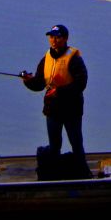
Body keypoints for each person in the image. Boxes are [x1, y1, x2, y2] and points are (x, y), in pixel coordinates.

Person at [21, 23, 88, 170]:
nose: (53, 40)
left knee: (76, 142)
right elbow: (39, 83)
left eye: (57, 38)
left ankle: (83, 173)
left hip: (71, 108)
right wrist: (27, 81)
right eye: (51, 37)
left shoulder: (74, 58)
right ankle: (54, 175)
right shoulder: (46, 58)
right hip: (52, 108)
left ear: (65, 39)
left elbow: (81, 84)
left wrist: (60, 91)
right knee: (54, 144)